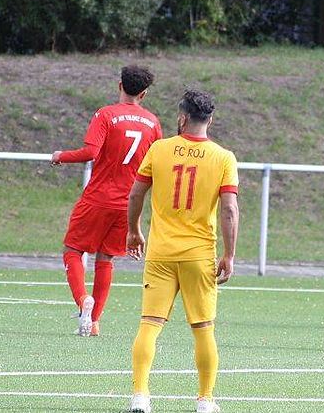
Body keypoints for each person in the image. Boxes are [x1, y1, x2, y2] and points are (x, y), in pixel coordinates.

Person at [126, 90, 239, 413]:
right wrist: (229, 254)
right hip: (199, 255)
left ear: (182, 117)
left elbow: (135, 194)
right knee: (203, 329)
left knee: (149, 323)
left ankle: (140, 396)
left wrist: (134, 231)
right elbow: (229, 209)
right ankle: (205, 400)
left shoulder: (159, 149)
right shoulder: (223, 157)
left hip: (161, 253)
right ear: (210, 120)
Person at [51, 66, 162, 337]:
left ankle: (83, 302)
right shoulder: (153, 123)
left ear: (119, 85)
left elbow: (90, 152)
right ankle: (94, 322)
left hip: (97, 198)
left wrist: (60, 156)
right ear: (144, 94)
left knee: (72, 250)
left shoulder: (106, 114)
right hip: (128, 204)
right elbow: (157, 162)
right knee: (106, 258)